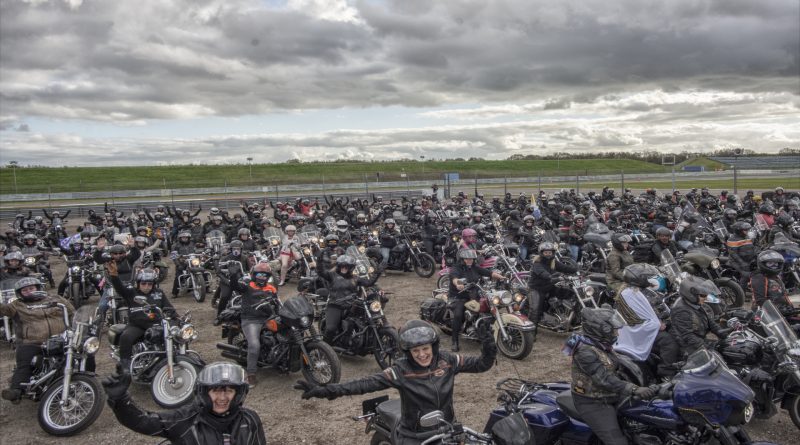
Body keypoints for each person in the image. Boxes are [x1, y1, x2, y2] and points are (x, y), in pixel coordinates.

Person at [294, 319, 496, 445]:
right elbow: (364, 384)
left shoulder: (447, 361)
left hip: (446, 427)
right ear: (408, 352)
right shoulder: (400, 370)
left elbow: (482, 364)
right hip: (413, 436)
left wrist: (488, 342)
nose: (422, 354)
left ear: (432, 346)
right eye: (415, 351)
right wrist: (326, 390)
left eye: (425, 348)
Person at [102, 361, 267, 444]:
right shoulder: (185, 419)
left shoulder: (250, 419)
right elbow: (143, 421)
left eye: (229, 391)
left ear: (238, 395)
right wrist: (120, 400)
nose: (222, 397)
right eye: (216, 390)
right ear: (204, 392)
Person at [569, 306, 657, 445]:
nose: (617, 334)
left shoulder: (599, 343)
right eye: (614, 330)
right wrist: (633, 389)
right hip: (593, 401)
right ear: (601, 329)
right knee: (618, 442)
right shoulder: (584, 350)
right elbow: (603, 379)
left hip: (611, 394)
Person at [1, 277, 75, 403]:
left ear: (38, 288)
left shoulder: (56, 299)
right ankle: (16, 390)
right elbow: (3, 309)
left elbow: (73, 313)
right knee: (25, 364)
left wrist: (77, 328)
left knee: (82, 354)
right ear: (20, 293)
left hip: (61, 339)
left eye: (31, 288)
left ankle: (85, 379)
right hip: (32, 342)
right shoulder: (16, 305)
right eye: (25, 291)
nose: (29, 292)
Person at [107, 262, 175, 373]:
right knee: (126, 337)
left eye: (150, 284)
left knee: (176, 335)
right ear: (138, 283)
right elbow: (119, 288)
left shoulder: (159, 293)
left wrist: (175, 317)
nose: (147, 287)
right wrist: (114, 274)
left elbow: (168, 308)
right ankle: (125, 365)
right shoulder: (131, 293)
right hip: (137, 326)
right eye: (143, 283)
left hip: (156, 325)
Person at [229, 261, 279, 387]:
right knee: (254, 345)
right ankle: (250, 375)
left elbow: (277, 302)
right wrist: (233, 275)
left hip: (268, 318)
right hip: (251, 320)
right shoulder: (247, 285)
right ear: (253, 275)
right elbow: (235, 286)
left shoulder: (271, 287)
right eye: (259, 274)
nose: (261, 277)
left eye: (264, 275)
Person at [448, 248, 505, 351]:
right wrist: (458, 284)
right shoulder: (456, 268)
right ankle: (454, 341)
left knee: (487, 307)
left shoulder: (474, 267)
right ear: (462, 259)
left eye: (471, 259)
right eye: (467, 259)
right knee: (458, 315)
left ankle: (483, 332)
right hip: (459, 296)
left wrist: (501, 277)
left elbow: (488, 273)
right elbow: (454, 278)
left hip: (473, 294)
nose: (469, 260)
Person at [317, 255, 382, 346]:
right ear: (339, 266)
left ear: (351, 267)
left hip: (351, 305)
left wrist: (377, 272)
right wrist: (319, 261)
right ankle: (324, 348)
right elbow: (321, 272)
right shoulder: (332, 275)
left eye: (346, 266)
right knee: (331, 328)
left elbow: (369, 283)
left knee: (364, 319)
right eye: (342, 266)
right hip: (335, 305)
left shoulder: (355, 278)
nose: (344, 268)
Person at [669, 276, 730, 357]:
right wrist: (708, 348)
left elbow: (709, 322)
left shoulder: (694, 304)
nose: (705, 298)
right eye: (703, 295)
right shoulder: (681, 311)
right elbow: (687, 336)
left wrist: (725, 336)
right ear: (691, 294)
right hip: (688, 347)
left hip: (698, 340)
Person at [527, 242, 579, 336]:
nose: (548, 254)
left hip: (550, 286)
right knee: (535, 310)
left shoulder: (553, 262)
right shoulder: (537, 263)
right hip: (537, 289)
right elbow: (544, 274)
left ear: (553, 253)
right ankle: (531, 334)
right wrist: (553, 278)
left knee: (569, 293)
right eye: (546, 252)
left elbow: (565, 268)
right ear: (541, 253)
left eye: (550, 252)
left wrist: (576, 269)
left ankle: (564, 315)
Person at [750, 250, 799, 322]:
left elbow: (784, 295)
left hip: (780, 312)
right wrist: (779, 310)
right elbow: (760, 301)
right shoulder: (759, 277)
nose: (774, 266)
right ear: (762, 264)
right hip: (767, 316)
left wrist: (791, 308)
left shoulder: (775, 276)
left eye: (776, 264)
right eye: (770, 263)